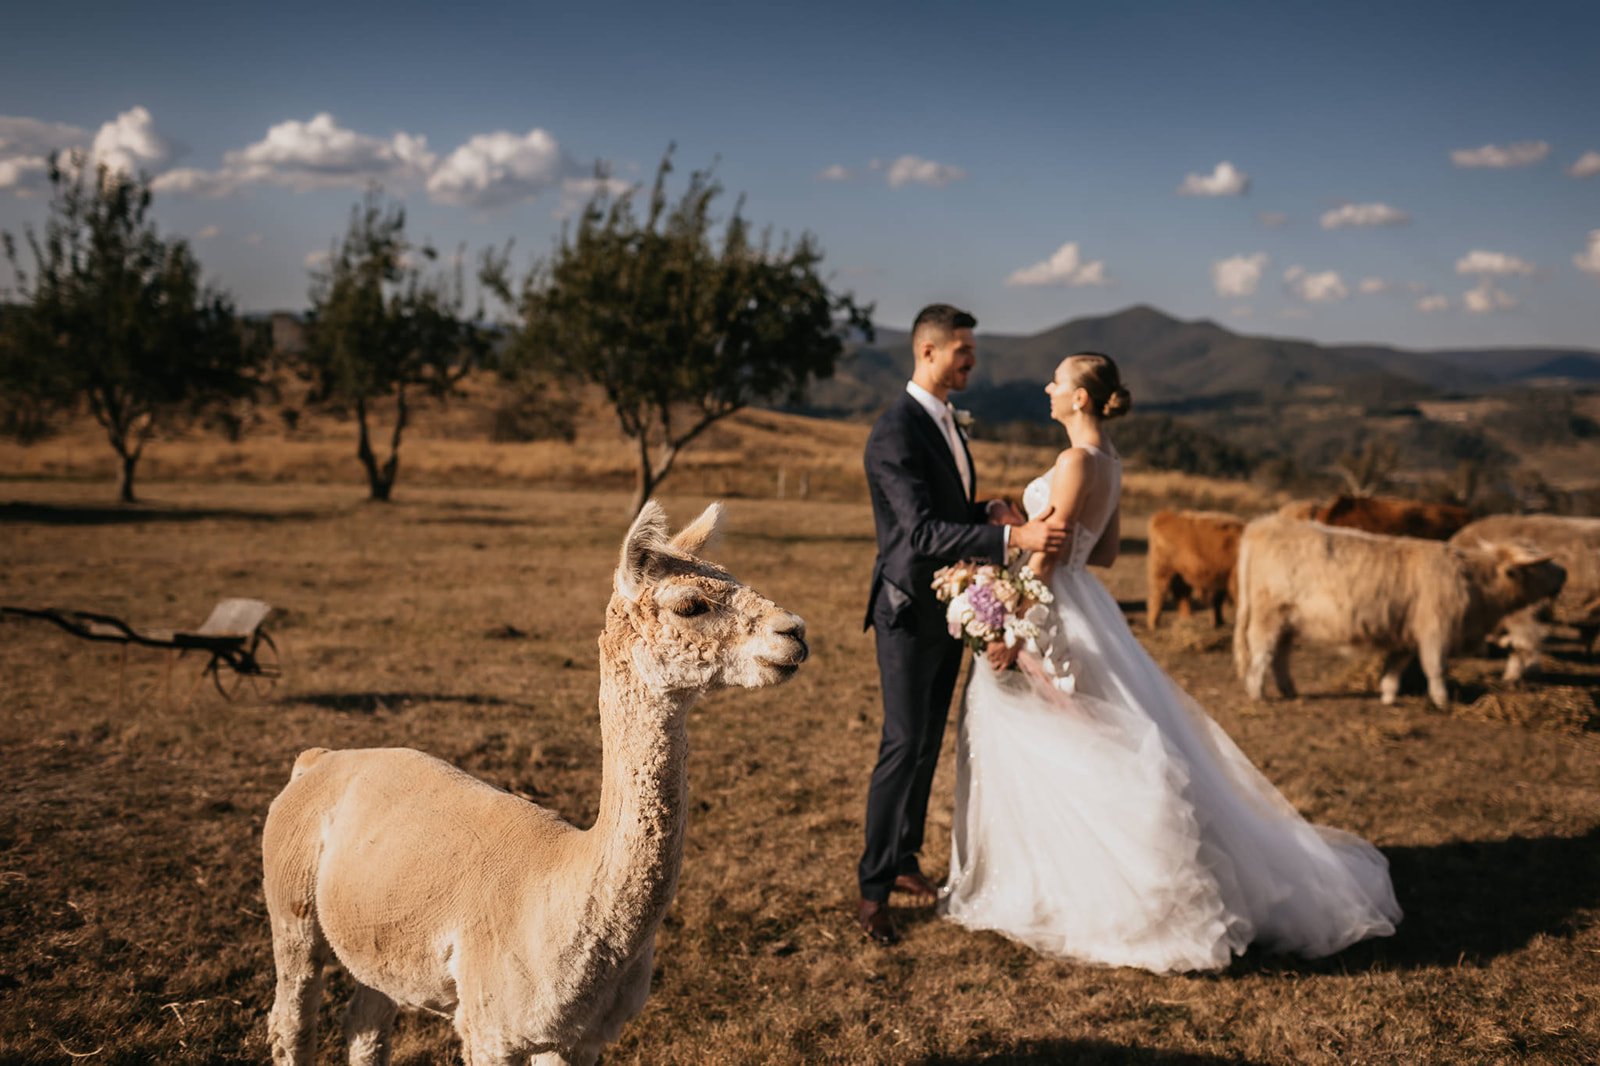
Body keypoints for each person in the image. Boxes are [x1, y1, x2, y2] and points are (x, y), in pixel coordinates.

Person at [939, 352, 1401, 972]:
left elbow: (1048, 559)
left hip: (1050, 608)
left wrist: (1007, 623)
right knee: (1096, 730)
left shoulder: (1075, 460)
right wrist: (1030, 528)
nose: (1047, 387)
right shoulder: (1111, 464)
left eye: (1057, 381)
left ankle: (1109, 887)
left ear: (1080, 399)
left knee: (1077, 738)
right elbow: (1099, 552)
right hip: (1088, 602)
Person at [857, 304, 1067, 946]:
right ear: (928, 352)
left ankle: (905, 860)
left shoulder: (945, 422)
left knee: (926, 745)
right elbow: (917, 532)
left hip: (949, 606)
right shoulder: (895, 431)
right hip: (907, 609)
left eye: (972, 351)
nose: (972, 361)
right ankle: (871, 889)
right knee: (901, 743)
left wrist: (987, 510)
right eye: (962, 352)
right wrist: (1016, 538)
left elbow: (943, 510)